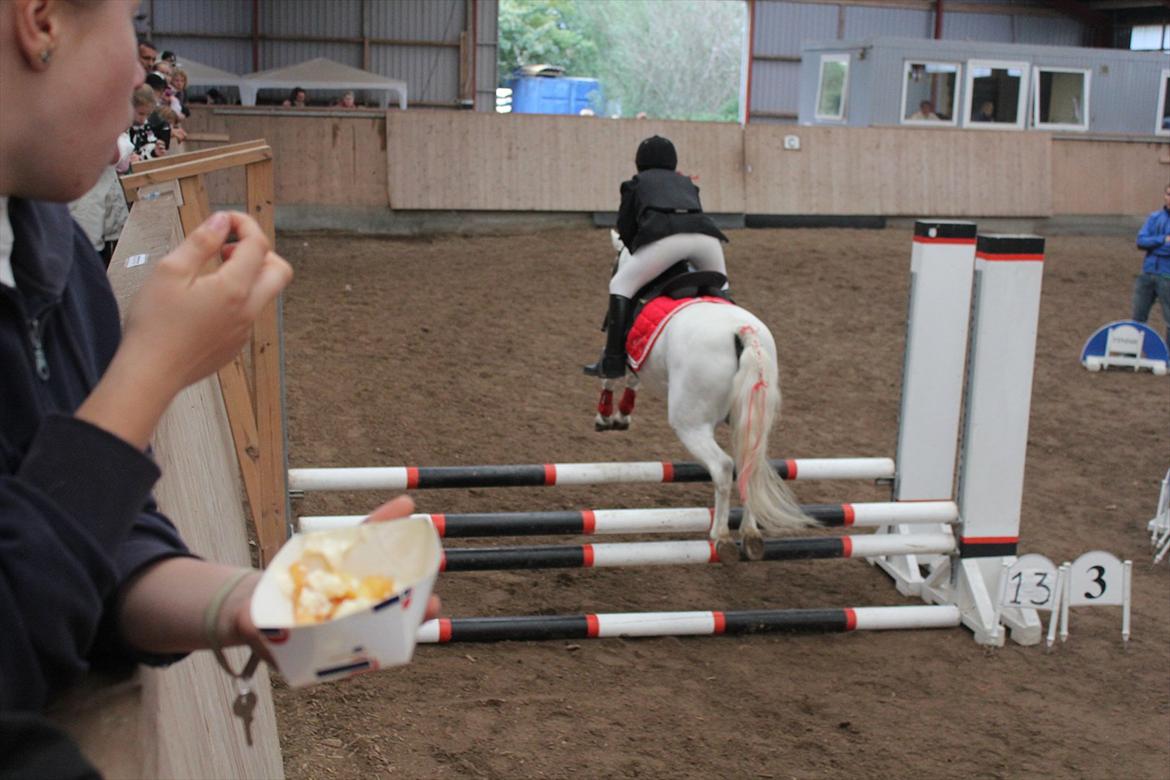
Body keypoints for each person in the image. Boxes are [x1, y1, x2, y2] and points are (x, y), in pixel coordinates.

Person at [0, 0, 434, 771]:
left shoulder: (51, 252)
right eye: (131, 30)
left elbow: (102, 545)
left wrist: (249, 605)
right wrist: (151, 368)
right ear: (41, 23)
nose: (143, 73)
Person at [583, 135, 729, 378]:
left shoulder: (635, 184)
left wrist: (639, 250)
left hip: (667, 239)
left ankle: (613, 360)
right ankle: (734, 342)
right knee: (721, 286)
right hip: (707, 239)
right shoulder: (687, 183)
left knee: (619, 285)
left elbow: (626, 227)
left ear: (640, 162)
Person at [1132, 183, 1170, 346]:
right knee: (1138, 317)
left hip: (1167, 276)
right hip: (1147, 274)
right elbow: (1140, 241)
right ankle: (1130, 353)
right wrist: (1162, 240)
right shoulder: (1154, 217)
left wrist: (1153, 247)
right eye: (1168, 194)